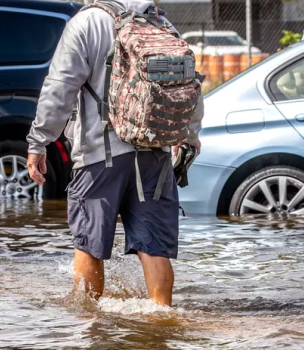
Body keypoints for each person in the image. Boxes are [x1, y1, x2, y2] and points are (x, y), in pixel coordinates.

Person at [26, 0, 203, 306]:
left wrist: (39, 141)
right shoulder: (161, 24)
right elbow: (189, 87)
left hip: (99, 156)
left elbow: (60, 87)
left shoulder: (87, 23)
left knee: (89, 245)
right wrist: (189, 136)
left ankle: (89, 324)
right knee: (154, 248)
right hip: (155, 154)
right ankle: (162, 321)